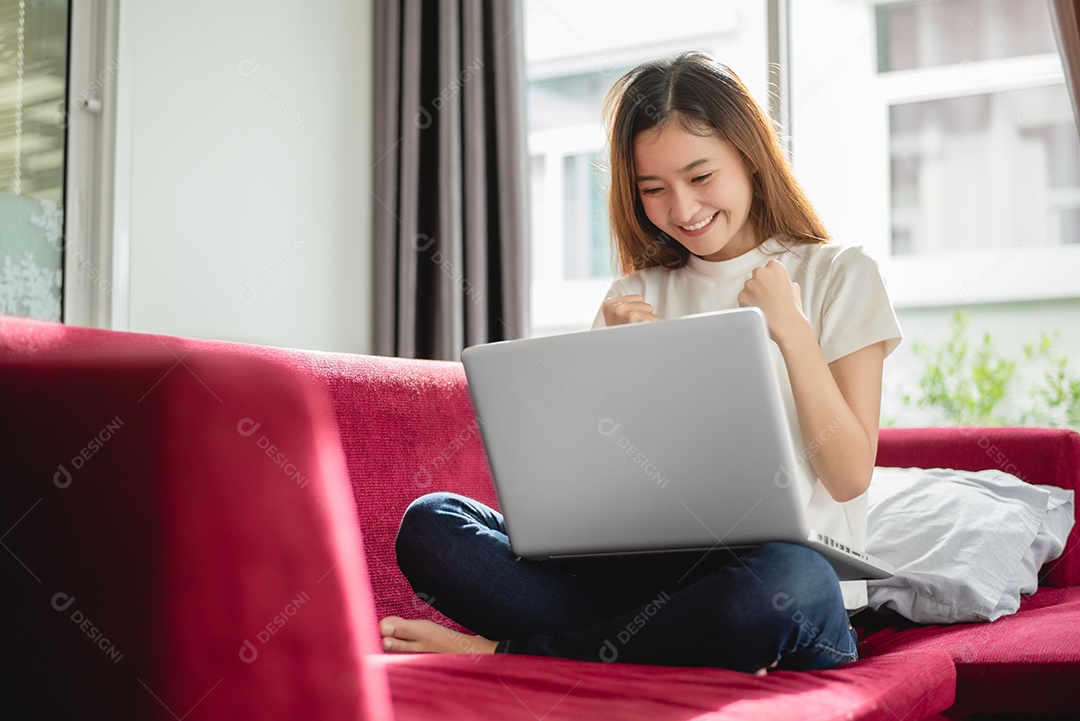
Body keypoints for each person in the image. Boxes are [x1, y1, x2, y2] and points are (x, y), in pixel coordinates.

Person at [379, 51, 902, 673]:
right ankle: (641, 643)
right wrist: (620, 361)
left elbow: (847, 475)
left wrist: (789, 329)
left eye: (701, 176)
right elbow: (586, 493)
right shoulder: (632, 297)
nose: (682, 209)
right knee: (432, 525)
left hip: (784, 589)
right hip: (642, 586)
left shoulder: (839, 275)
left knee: (790, 575)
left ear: (750, 158)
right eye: (654, 189)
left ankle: (511, 654)